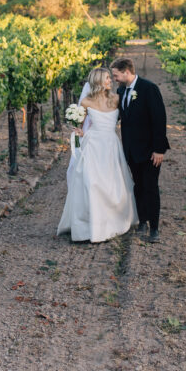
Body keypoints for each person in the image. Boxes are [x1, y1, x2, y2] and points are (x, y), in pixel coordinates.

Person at [56, 67, 138, 243]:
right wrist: (77, 132)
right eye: (107, 78)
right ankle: (89, 226)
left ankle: (111, 222)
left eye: (110, 77)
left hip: (110, 145)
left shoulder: (117, 99)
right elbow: (81, 125)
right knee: (91, 183)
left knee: (112, 184)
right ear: (98, 81)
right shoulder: (86, 102)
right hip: (93, 145)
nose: (110, 81)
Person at [111, 57, 169, 243]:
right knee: (138, 186)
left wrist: (159, 149)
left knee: (151, 187)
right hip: (131, 150)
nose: (114, 79)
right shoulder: (121, 91)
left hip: (150, 150)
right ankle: (142, 221)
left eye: (116, 75)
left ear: (126, 72)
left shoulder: (148, 88)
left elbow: (159, 120)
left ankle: (155, 229)